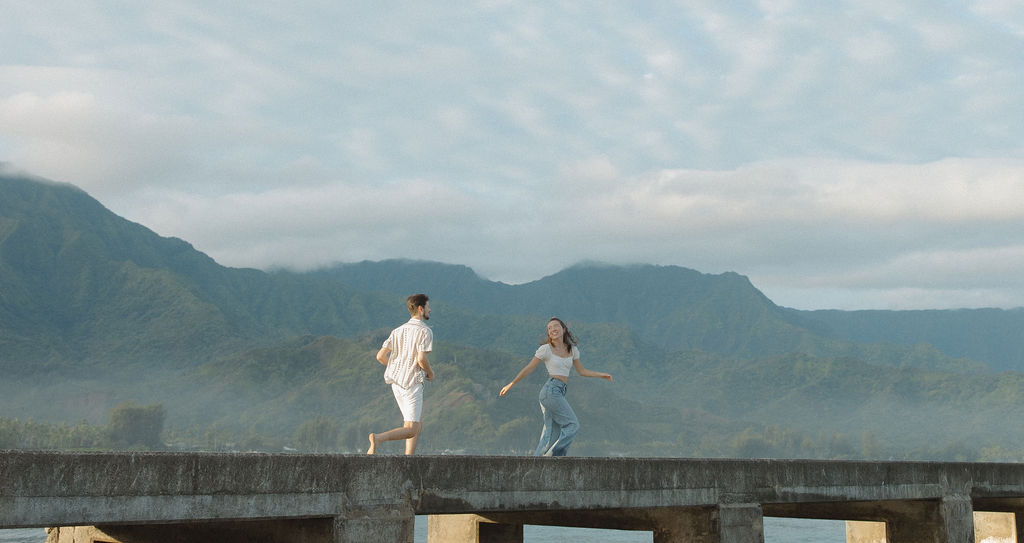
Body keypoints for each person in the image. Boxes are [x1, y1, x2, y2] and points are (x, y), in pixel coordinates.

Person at [499, 317, 612, 456]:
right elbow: (529, 368)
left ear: (563, 329)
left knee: (551, 433)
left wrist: (601, 375)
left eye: (556, 326)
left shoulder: (572, 350)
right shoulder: (545, 349)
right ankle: (555, 457)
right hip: (550, 391)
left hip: (559, 391)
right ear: (548, 333)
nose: (553, 329)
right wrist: (511, 383)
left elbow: (582, 371)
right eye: (549, 328)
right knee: (572, 425)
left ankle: (535, 463)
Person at [367, 293, 434, 455]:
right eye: (428, 307)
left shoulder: (397, 331)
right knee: (411, 429)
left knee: (414, 423)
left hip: (396, 383)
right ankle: (378, 438)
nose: (430, 310)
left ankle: (409, 456)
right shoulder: (425, 331)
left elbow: (380, 356)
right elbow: (421, 358)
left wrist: (398, 366)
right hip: (411, 383)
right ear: (420, 308)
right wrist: (430, 373)